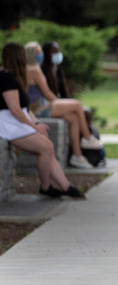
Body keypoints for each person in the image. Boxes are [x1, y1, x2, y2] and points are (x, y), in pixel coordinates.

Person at [0, 43, 85, 199]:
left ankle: (65, 186)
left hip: (17, 122)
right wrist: (33, 126)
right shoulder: (5, 78)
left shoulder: (13, 77)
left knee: (47, 147)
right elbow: (15, 109)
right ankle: (46, 187)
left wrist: (37, 124)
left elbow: (25, 109)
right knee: (46, 147)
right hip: (8, 125)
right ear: (17, 57)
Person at [24, 41, 102, 169]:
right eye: (37, 52)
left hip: (38, 106)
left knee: (74, 118)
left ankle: (77, 156)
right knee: (77, 105)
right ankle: (88, 138)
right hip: (38, 108)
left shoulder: (29, 67)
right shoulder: (34, 69)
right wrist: (58, 101)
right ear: (30, 54)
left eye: (41, 52)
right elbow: (48, 94)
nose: (40, 55)